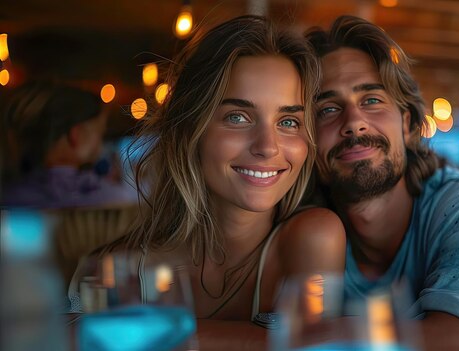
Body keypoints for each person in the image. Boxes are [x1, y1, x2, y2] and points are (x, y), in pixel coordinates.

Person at [69, 15, 346, 328]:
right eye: (238, 117)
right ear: (190, 130)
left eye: (288, 122)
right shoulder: (114, 269)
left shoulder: (314, 237)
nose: (268, 147)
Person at [305, 16, 459, 350]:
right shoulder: (298, 218)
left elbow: (458, 341)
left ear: (406, 124)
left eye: (372, 100)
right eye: (328, 109)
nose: (354, 123)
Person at [0, 81, 138, 208]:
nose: (101, 144)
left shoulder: (10, 194)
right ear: (75, 136)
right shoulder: (108, 197)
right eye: (100, 134)